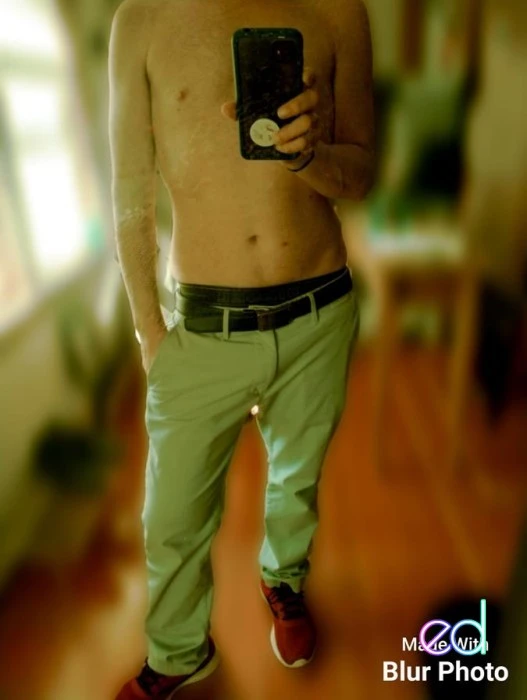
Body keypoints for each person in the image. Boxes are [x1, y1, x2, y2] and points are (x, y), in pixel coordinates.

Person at [109, 0, 374, 696]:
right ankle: (178, 654)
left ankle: (283, 579)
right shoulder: (141, 21)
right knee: (171, 519)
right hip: (202, 326)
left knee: (297, 477)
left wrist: (310, 154)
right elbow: (129, 190)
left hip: (319, 311)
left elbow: (360, 176)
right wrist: (149, 334)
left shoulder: (337, 10)